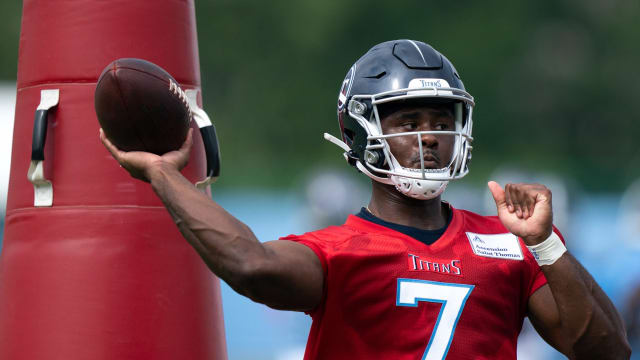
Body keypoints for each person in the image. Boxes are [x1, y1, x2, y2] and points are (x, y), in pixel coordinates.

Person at [100, 40, 630, 359]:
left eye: (442, 121)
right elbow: (249, 264)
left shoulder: (508, 241)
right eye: (408, 121)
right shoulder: (339, 251)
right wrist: (163, 174)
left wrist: (546, 246)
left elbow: (606, 352)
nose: (429, 136)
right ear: (358, 132)